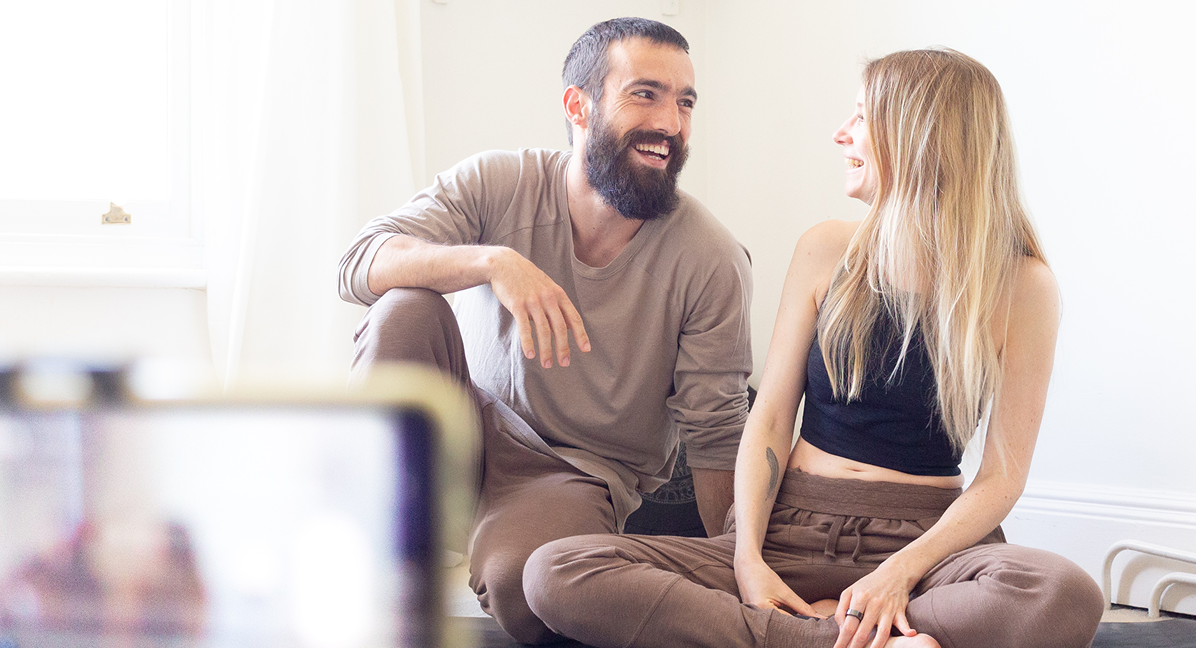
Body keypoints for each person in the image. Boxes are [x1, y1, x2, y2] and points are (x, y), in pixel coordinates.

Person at [523, 48, 1107, 648]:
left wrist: (898, 574)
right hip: (790, 527)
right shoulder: (825, 250)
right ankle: (841, 639)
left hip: (927, 544)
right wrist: (747, 556)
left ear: (916, 135)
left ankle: (802, 634)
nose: (841, 134)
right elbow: (771, 418)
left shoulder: (1022, 285)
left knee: (1063, 593)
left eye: (861, 117)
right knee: (556, 571)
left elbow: (1003, 475)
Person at [335, 18, 753, 644]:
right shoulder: (498, 183)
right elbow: (358, 262)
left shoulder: (711, 259)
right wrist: (489, 261)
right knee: (405, 307)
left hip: (569, 475)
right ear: (578, 105)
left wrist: (739, 568)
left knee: (525, 585)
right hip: (456, 430)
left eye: (684, 101)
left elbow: (718, 434)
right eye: (646, 93)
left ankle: (478, 538)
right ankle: (382, 527)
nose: (671, 123)